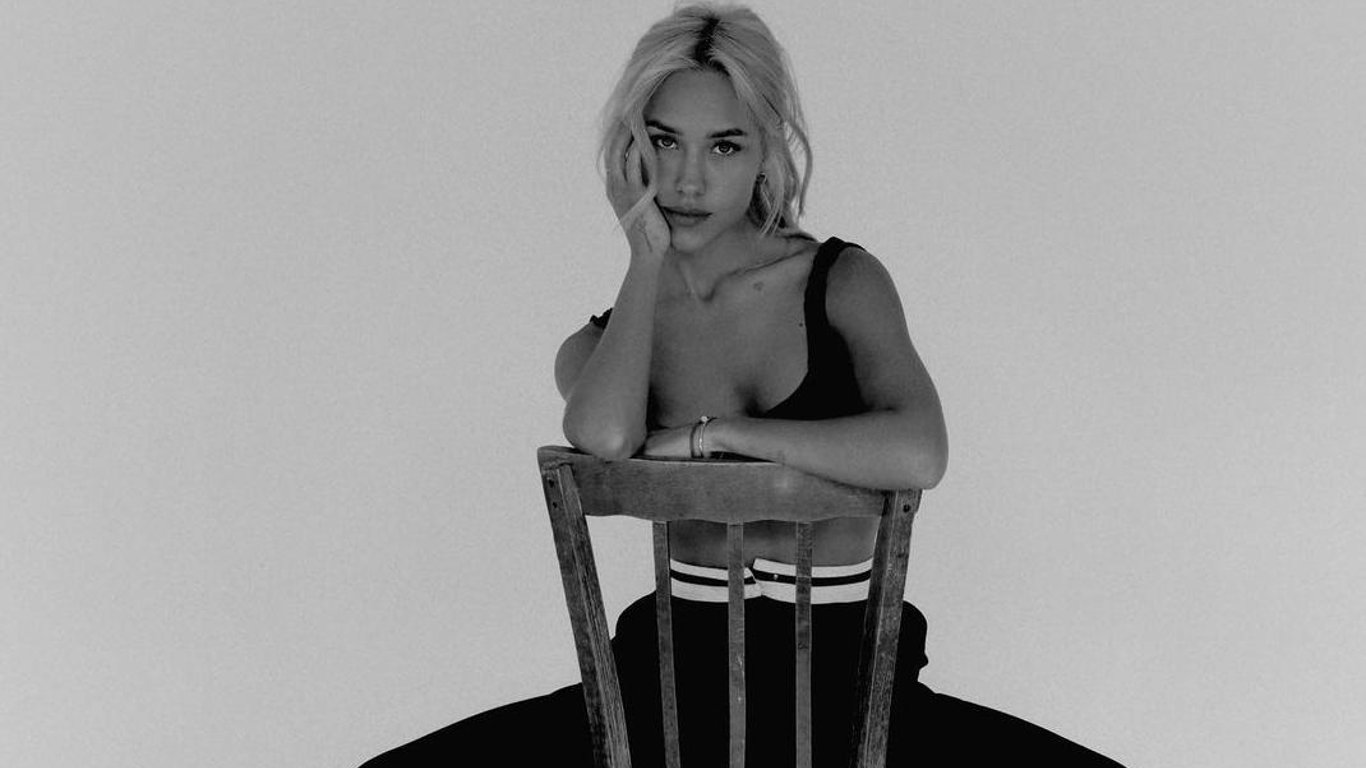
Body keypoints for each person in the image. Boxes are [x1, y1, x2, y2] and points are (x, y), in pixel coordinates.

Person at [362, 4, 1122, 765]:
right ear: (629, 151)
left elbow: (921, 452)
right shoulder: (607, 342)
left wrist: (719, 437)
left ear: (767, 150)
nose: (688, 180)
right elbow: (602, 435)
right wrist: (644, 260)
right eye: (663, 142)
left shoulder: (842, 284)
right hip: (662, 706)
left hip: (852, 710)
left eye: (724, 145)